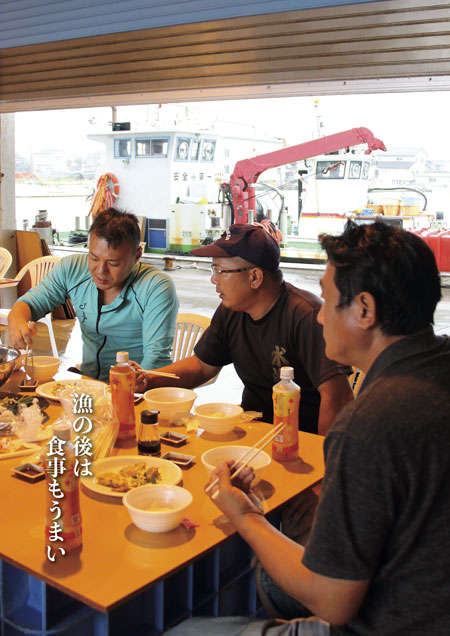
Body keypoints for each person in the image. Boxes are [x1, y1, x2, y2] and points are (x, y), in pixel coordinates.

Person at [164, 220, 450, 636]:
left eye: (330, 300)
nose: (320, 317)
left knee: (184, 632)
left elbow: (332, 600)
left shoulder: (368, 425)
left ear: (365, 310)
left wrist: (246, 516)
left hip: (387, 621)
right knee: (268, 575)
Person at [136, 223, 353, 436]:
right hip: (252, 430)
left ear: (255, 277)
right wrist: (147, 378)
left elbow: (337, 398)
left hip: (299, 439)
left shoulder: (306, 316)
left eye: (220, 271)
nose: (213, 279)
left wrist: (326, 460)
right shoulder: (232, 310)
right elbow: (203, 366)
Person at [8, 208, 178, 381]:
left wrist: (133, 387)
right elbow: (30, 303)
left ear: (137, 256)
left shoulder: (156, 287)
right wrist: (17, 322)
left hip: (136, 389)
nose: (100, 271)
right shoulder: (72, 269)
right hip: (89, 384)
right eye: (94, 258)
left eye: (113, 263)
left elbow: (156, 361)